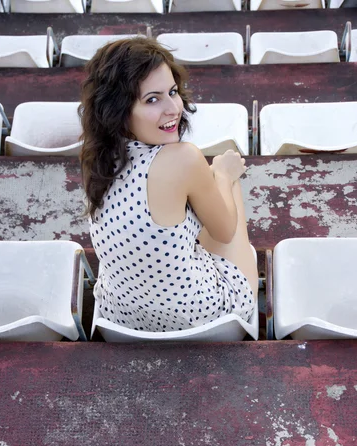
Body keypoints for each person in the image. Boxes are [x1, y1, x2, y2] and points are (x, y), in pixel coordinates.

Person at [79, 37, 258, 332]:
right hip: (198, 320)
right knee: (225, 179)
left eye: (172, 92)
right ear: (119, 109)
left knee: (203, 196)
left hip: (120, 320)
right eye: (152, 99)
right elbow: (225, 232)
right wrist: (224, 177)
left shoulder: (96, 157)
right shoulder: (184, 158)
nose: (173, 108)